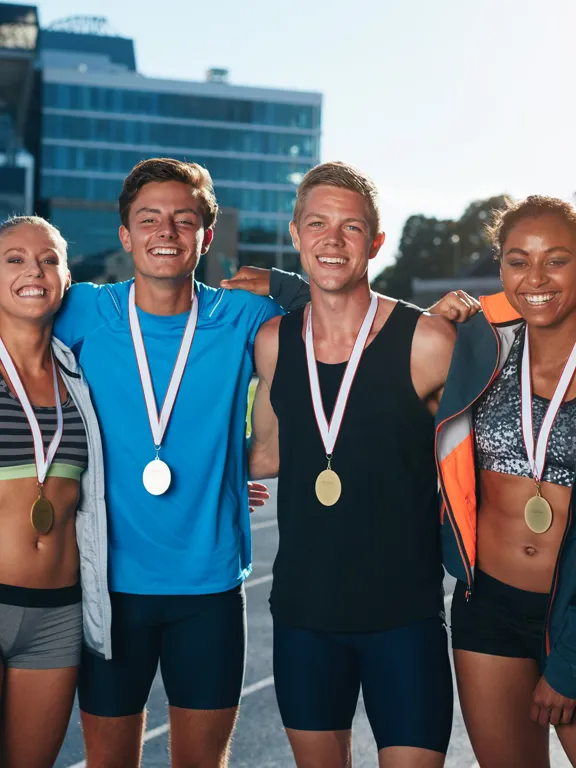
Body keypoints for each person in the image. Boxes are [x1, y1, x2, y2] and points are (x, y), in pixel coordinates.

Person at [41, 157, 282, 768]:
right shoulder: (83, 311)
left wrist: (285, 283)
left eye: (184, 219)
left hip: (210, 586)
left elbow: (338, 314)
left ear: (206, 235)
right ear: (126, 236)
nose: (166, 232)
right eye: (149, 219)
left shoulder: (244, 316)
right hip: (109, 586)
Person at [245, 161, 462, 768]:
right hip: (304, 616)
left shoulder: (427, 341)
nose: (333, 240)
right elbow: (267, 453)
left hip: (404, 617)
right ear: (296, 234)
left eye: (351, 227)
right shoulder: (273, 343)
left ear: (376, 241)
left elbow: (486, 451)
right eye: (317, 224)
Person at [437, 196, 576, 767]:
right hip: (488, 605)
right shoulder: (483, 344)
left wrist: (569, 662)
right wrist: (288, 287)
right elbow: (365, 331)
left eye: (557, 260)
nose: (535, 278)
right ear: (500, 268)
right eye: (519, 261)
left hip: (570, 614)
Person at [0, 216, 109, 768]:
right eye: (14, 260)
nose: (33, 271)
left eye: (48, 260)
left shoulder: (81, 377)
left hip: (58, 615)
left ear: (67, 280)